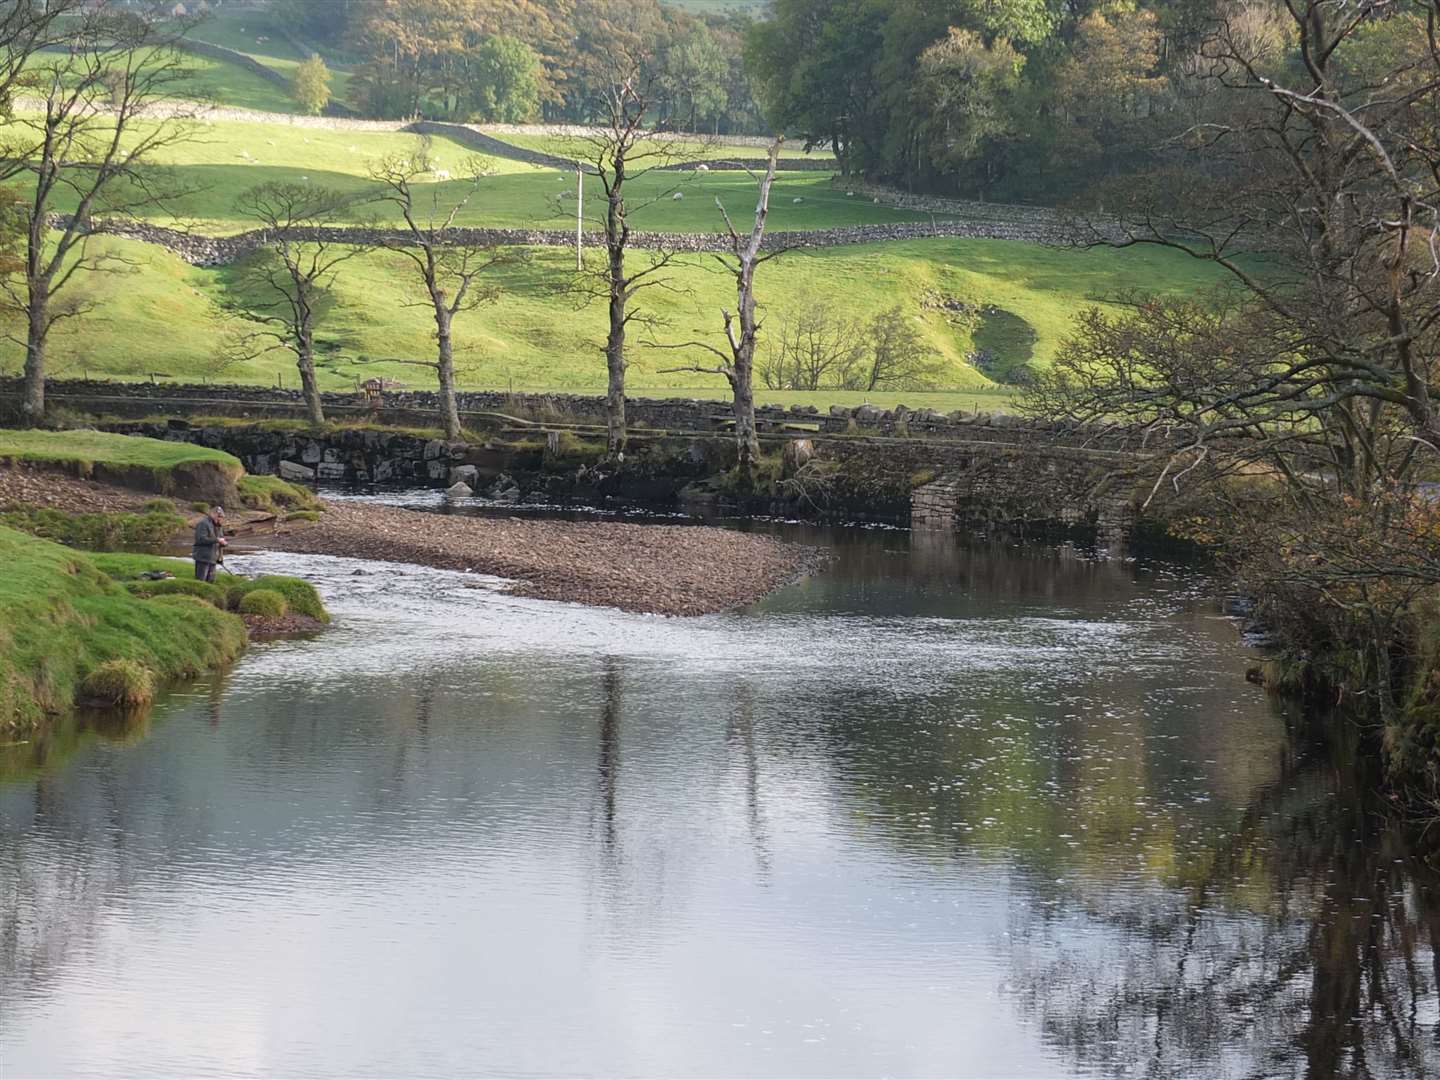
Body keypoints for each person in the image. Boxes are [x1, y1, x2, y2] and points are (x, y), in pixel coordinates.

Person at [193, 505, 227, 582]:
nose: (219, 518)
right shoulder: (203, 524)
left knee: (211, 581)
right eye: (218, 516)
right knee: (201, 581)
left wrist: (223, 543)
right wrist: (217, 540)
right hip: (203, 558)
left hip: (213, 558)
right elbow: (200, 539)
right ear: (212, 514)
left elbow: (220, 539)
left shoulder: (219, 526)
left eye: (221, 517)